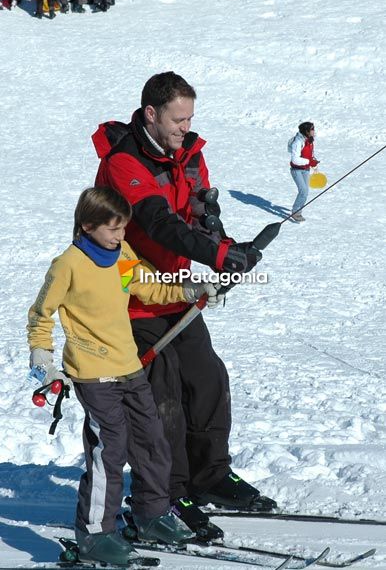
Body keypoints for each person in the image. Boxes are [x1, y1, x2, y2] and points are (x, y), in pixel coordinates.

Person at [92, 71, 277, 540]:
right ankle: (167, 493)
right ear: (151, 114)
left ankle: (209, 474)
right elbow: (156, 222)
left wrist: (229, 249)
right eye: (178, 119)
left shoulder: (189, 155)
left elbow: (198, 213)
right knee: (164, 395)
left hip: (176, 289)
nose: (185, 127)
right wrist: (216, 256)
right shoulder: (123, 163)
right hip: (133, 294)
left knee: (208, 378)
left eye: (190, 117)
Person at [27, 186, 221, 564]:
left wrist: (190, 288)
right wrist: (43, 358)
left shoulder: (121, 256)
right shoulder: (68, 264)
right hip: (93, 373)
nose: (120, 235)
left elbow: (149, 288)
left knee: (153, 440)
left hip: (129, 365)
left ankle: (151, 514)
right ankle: (96, 535)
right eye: (114, 229)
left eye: (123, 228)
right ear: (87, 225)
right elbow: (40, 315)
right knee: (109, 450)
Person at [288, 121, 319, 222]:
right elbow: (294, 159)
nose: (314, 131)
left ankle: (298, 211)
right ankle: (296, 212)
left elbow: (310, 154)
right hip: (296, 170)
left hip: (306, 169)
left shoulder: (310, 140)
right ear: (306, 131)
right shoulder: (298, 142)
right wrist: (309, 161)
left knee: (305, 192)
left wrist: (313, 161)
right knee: (303, 191)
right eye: (312, 129)